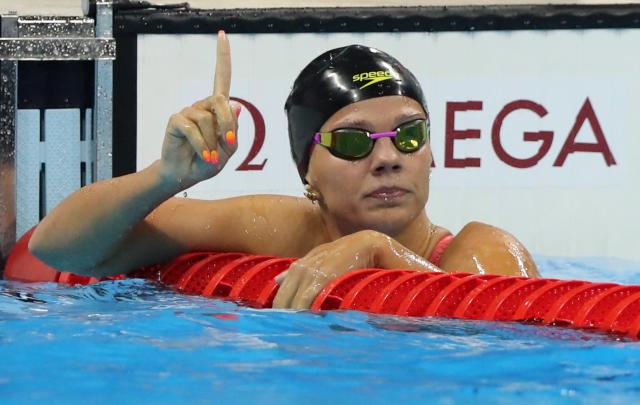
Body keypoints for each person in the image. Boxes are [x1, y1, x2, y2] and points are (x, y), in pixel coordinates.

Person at [28, 31, 539, 310]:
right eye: (354, 141)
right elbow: (57, 247)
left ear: (431, 154)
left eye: (409, 135)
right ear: (306, 171)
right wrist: (163, 178)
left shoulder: (483, 251)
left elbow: (508, 338)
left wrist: (381, 253)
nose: (387, 158)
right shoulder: (279, 229)